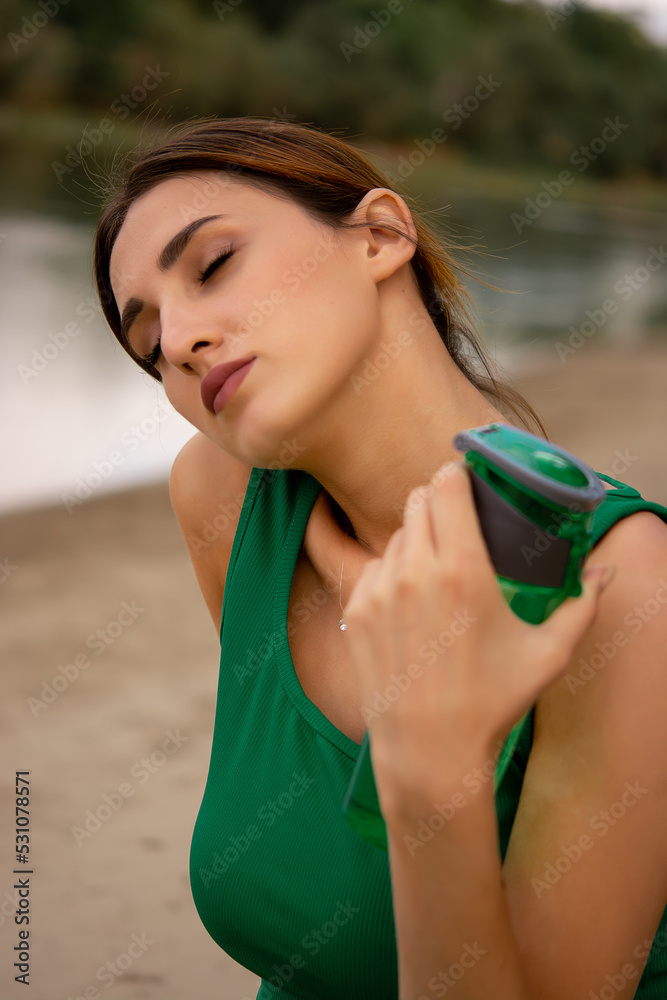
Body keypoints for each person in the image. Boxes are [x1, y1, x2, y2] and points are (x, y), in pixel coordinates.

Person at [94, 117, 667, 999]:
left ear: (381, 236)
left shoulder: (619, 587)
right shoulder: (220, 495)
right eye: (147, 344)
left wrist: (432, 781)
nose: (176, 341)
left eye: (212, 266)